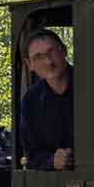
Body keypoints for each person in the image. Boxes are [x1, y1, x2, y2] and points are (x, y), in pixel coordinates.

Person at [17, 28, 74, 171]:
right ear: (29, 64)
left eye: (52, 52)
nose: (48, 62)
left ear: (64, 51)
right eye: (38, 57)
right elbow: (33, 155)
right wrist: (52, 161)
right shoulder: (31, 101)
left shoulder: (90, 85)